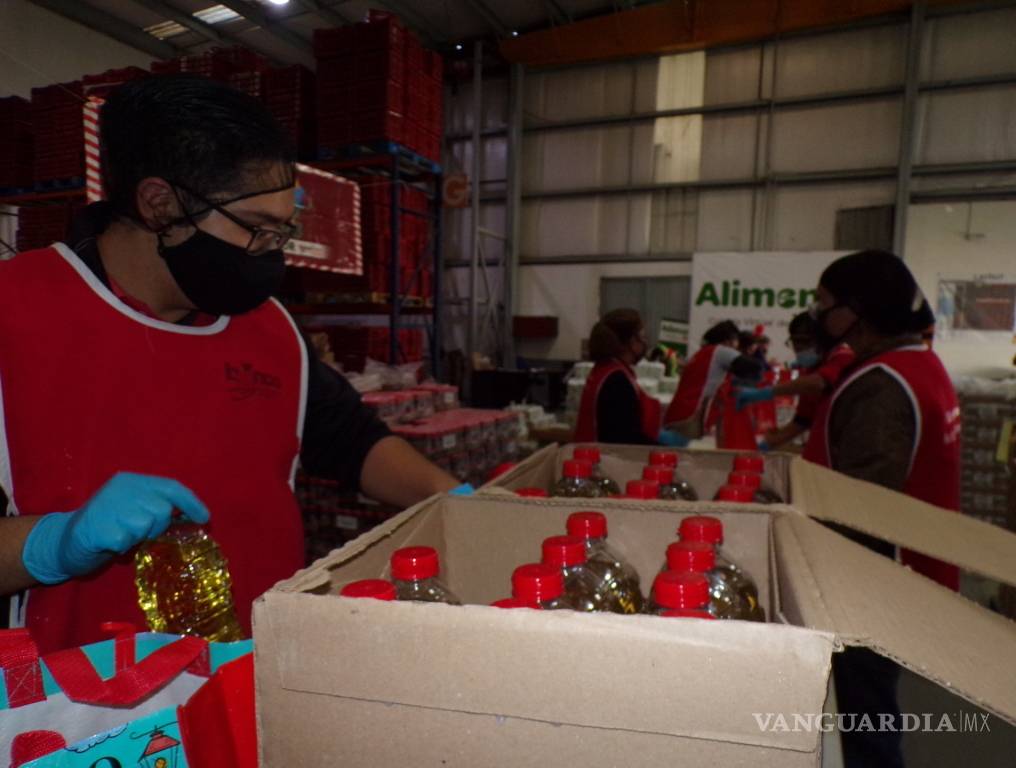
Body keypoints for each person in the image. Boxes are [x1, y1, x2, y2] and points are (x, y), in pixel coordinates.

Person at [0, 75, 460, 652]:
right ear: (160, 204)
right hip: (81, 716)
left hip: (252, 676)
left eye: (283, 231)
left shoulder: (269, 328)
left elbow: (350, 440)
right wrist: (54, 541)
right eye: (258, 231)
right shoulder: (16, 311)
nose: (274, 254)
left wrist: (459, 499)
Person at [802, 250, 959, 768]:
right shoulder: (918, 365)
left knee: (865, 725)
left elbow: (860, 508)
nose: (818, 315)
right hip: (903, 578)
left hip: (869, 589)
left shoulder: (882, 388)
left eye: (824, 304)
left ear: (858, 311)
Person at [735, 312, 855, 450]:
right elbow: (802, 421)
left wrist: (765, 393)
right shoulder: (810, 370)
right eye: (795, 343)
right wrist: (766, 445)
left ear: (823, 339)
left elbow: (818, 383)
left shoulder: (843, 355)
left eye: (804, 341)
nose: (799, 349)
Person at [574, 309, 682, 445]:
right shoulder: (616, 381)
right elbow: (626, 439)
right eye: (643, 337)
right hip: (602, 458)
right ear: (632, 342)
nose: (645, 343)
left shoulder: (607, 369)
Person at [663, 320, 764, 439]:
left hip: (676, 414)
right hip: (688, 418)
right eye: (737, 341)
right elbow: (756, 368)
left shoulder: (702, 353)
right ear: (729, 340)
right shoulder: (720, 351)